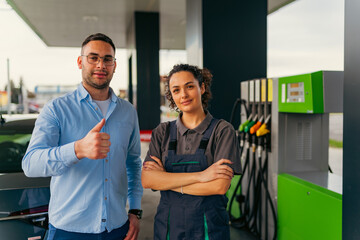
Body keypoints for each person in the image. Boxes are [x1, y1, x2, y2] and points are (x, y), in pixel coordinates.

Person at [22, 33, 143, 240]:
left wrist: (135, 211)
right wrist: (77, 149)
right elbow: (31, 164)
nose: (101, 65)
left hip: (117, 228)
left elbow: (133, 164)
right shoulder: (56, 109)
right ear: (80, 62)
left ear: (115, 65)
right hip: (68, 231)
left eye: (107, 59)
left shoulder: (128, 111)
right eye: (93, 57)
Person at [142, 64, 242, 240]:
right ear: (171, 96)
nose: (184, 95)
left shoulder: (222, 131)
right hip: (168, 229)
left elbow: (219, 186)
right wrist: (201, 176)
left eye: (189, 86)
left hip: (208, 229)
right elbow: (148, 179)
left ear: (202, 87)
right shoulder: (162, 132)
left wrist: (167, 180)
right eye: (176, 90)